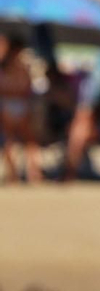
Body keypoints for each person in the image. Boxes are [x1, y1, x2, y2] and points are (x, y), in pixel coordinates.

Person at [0, 34, 40, 185]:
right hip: (17, 104)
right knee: (26, 141)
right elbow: (26, 88)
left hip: (10, 104)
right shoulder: (21, 65)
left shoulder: (8, 65)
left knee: (13, 141)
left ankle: (16, 174)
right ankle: (32, 173)